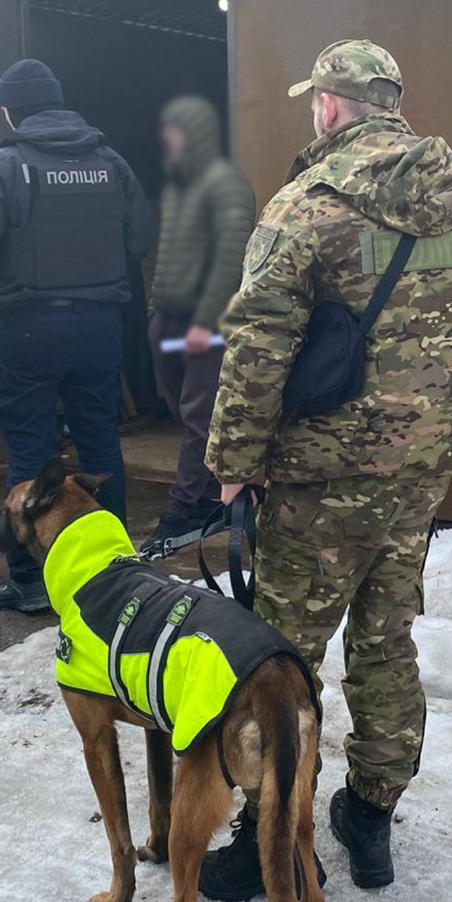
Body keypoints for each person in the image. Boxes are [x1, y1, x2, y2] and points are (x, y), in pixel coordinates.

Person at [200, 40, 452, 897]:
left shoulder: (305, 207)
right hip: (418, 479)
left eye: (314, 103)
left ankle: (268, 839)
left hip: (317, 487)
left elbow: (256, 347)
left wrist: (232, 462)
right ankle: (370, 821)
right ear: (392, 104)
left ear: (331, 107)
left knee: (281, 658)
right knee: (387, 643)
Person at [0, 59, 154, 612]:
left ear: (11, 108)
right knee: (102, 445)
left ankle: (31, 582)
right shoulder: (109, 162)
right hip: (100, 325)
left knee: (30, 451)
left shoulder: (2, 167)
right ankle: (119, 576)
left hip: (28, 328)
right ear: (59, 102)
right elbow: (141, 236)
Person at [140, 97, 255, 558]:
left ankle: (183, 509)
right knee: (182, 410)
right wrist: (155, 313)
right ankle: (209, 496)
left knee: (199, 414)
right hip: (169, 318)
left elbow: (230, 260)